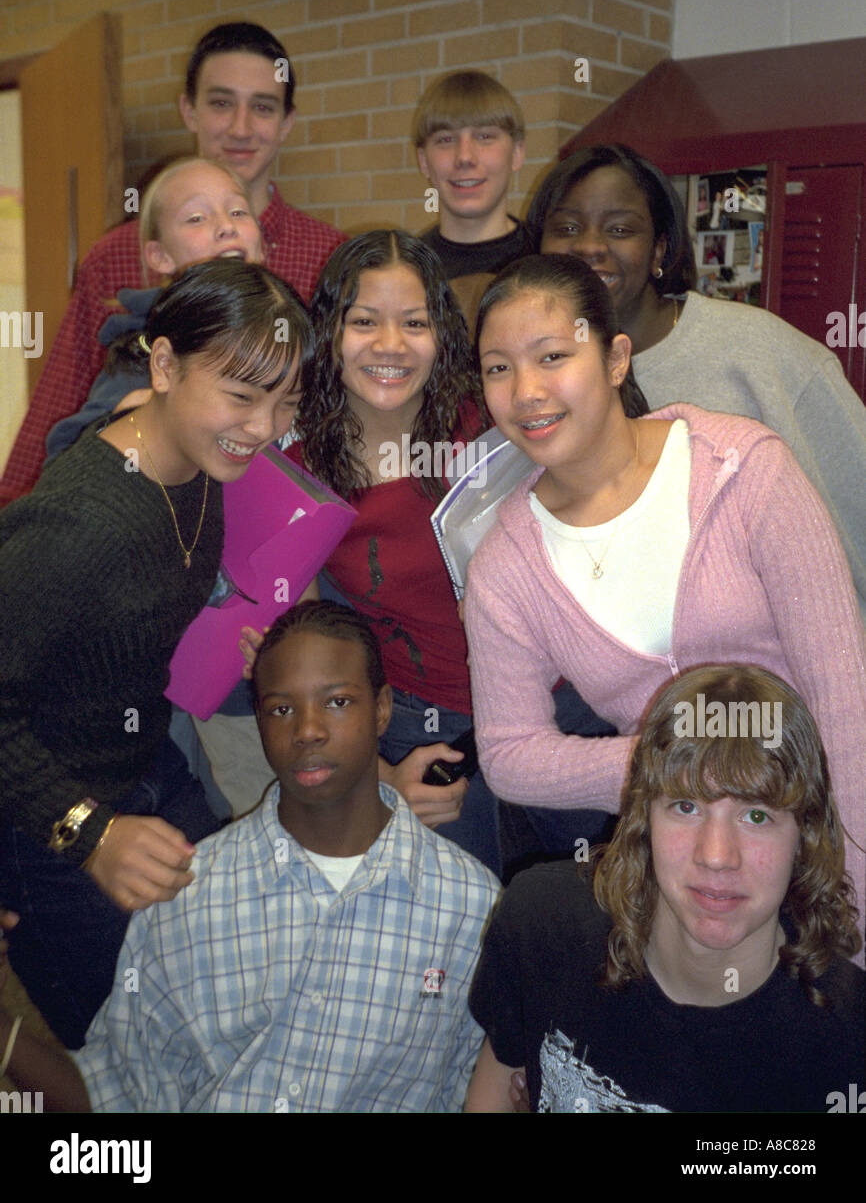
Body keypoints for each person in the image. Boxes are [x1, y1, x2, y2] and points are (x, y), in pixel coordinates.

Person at [463, 253, 866, 938]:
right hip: (686, 873)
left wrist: (855, 894)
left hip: (824, 832)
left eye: (552, 355)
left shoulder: (742, 470)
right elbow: (509, 755)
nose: (526, 390)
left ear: (616, 358)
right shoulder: (504, 564)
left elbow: (843, 698)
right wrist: (677, 761)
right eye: (499, 367)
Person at [0, 601, 500, 1112]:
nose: (307, 730)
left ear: (383, 709)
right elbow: (114, 1098)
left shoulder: (470, 909)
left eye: (338, 702)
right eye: (282, 709)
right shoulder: (186, 895)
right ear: (259, 721)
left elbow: (485, 1088)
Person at [0, 259, 311, 1047]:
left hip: (147, 772)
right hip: (48, 826)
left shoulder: (200, 462)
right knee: (113, 1051)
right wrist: (89, 832)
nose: (264, 426)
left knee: (229, 982)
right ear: (165, 364)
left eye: (285, 401)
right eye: (241, 395)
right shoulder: (77, 524)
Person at [466, 665, 864, 1113]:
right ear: (643, 817)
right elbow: (496, 1086)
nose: (716, 855)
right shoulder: (541, 922)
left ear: (804, 837)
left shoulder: (849, 1042)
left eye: (756, 815)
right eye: (686, 805)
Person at [1, 20, 345, 505]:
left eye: (263, 107)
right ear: (189, 110)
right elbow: (61, 401)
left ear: (287, 122)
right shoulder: (115, 255)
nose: (241, 127)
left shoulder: (329, 256)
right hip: (144, 510)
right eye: (221, 103)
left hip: (274, 520)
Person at [528, 142, 866, 626]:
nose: (589, 246)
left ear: (660, 250)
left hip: (798, 674)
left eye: (620, 229)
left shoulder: (759, 351)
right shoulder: (534, 380)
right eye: (566, 227)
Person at [289, 230, 501, 872]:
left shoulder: (490, 424)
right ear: (330, 332)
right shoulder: (298, 467)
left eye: (413, 322)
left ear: (442, 334)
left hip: (554, 704)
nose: (389, 345)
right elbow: (305, 645)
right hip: (426, 730)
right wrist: (378, 775)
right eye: (363, 322)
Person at [44, 156, 265, 461]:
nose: (227, 226)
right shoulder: (144, 353)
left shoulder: (284, 334)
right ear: (160, 257)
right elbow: (66, 455)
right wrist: (129, 422)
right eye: (197, 218)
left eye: (239, 211)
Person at [413, 70, 532, 289]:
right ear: (423, 161)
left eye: (485, 137)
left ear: (517, 153)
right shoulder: (408, 270)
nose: (464, 157)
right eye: (446, 139)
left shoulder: (547, 260)